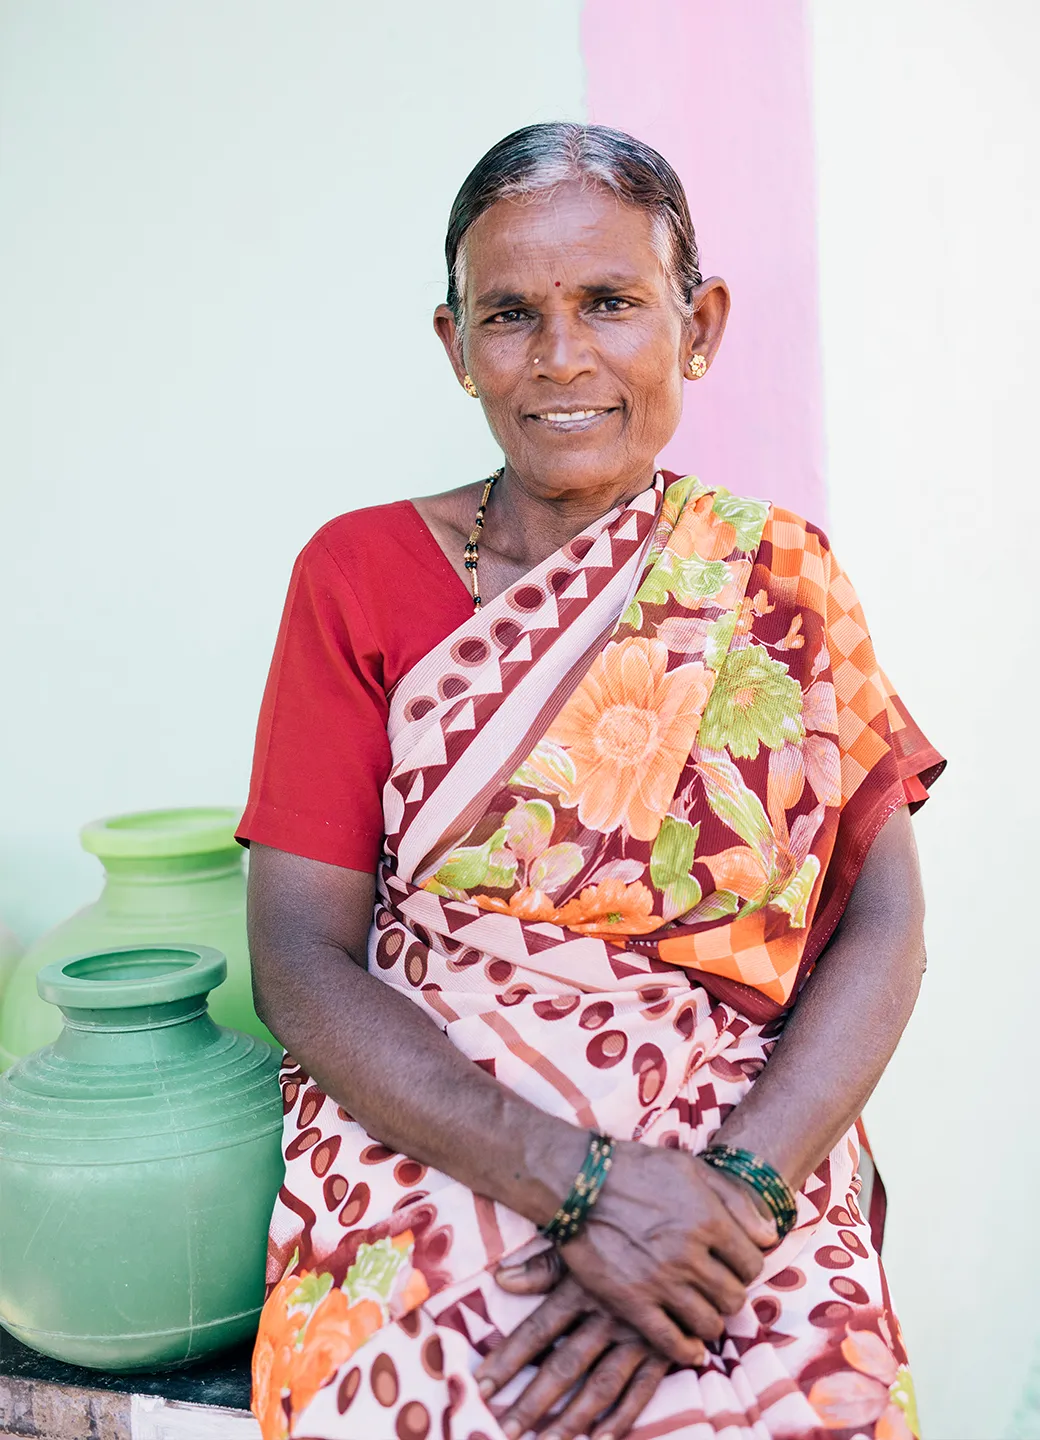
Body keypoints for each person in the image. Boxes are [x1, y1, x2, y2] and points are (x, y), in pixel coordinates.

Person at [238, 123, 944, 1440]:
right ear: (453, 345)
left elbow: (887, 927)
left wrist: (731, 1196)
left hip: (731, 1140)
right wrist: (589, 1193)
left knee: (812, 1402)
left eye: (612, 303)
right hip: (436, 1124)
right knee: (414, 1399)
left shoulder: (776, 575)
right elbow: (298, 958)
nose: (562, 359)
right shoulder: (356, 576)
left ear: (701, 323)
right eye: (511, 315)